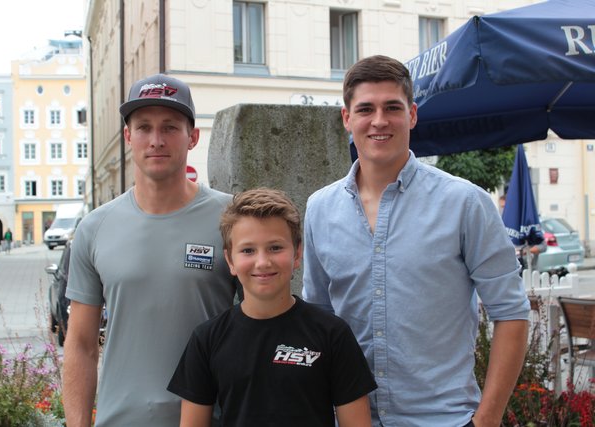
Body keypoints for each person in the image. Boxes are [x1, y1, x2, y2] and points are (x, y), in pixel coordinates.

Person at [302, 55, 530, 427]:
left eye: (392, 107)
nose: (379, 120)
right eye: (365, 109)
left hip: (445, 419)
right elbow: (320, 318)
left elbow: (511, 313)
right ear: (347, 119)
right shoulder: (320, 209)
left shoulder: (464, 203)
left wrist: (486, 421)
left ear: (412, 114)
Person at [62, 74, 238, 427]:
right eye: (144, 127)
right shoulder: (95, 228)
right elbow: (80, 344)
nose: (156, 140)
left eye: (170, 127)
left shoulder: (232, 220)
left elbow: (263, 327)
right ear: (128, 136)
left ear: (193, 136)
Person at [168, 188, 377, 427]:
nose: (263, 262)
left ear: (297, 254)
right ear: (230, 261)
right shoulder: (207, 339)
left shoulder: (332, 334)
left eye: (275, 248)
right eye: (248, 250)